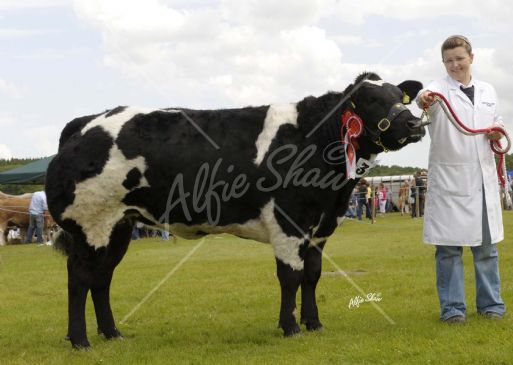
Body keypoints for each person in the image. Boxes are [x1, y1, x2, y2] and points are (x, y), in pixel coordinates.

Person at [417, 35, 506, 323]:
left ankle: (491, 305)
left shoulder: (488, 90)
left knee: (486, 249)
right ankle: (453, 310)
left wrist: (498, 133)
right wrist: (423, 100)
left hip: (482, 179)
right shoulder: (437, 89)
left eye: (459, 58)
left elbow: (500, 122)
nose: (454, 65)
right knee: (448, 250)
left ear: (471, 58)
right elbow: (424, 99)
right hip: (451, 182)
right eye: (448, 61)